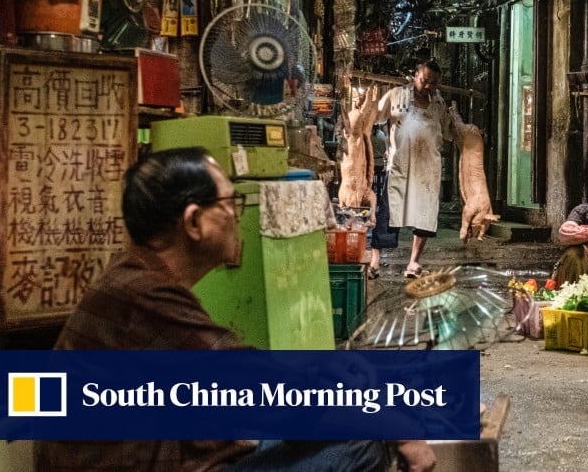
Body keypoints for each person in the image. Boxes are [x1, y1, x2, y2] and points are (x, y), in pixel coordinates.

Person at [35, 148, 435, 471]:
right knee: (362, 446)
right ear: (194, 222)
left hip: (158, 450)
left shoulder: (136, 278)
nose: (237, 215)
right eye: (231, 203)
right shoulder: (143, 293)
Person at [374, 59, 461, 279]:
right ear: (415, 76)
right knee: (387, 214)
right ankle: (374, 262)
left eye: (434, 83)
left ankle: (413, 263)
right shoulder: (396, 96)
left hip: (427, 170)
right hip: (399, 166)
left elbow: (450, 133)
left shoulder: (439, 105)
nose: (428, 86)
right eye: (424, 81)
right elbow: (376, 116)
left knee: (424, 216)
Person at [366, 122, 395, 280]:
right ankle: (375, 259)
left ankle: (375, 260)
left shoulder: (368, 136)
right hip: (380, 166)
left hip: (372, 165)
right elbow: (385, 150)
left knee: (385, 209)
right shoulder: (382, 135)